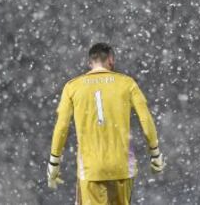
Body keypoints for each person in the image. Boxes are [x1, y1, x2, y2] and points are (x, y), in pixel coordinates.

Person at [47, 42, 166, 204]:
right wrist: (155, 153)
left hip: (90, 169)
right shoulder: (127, 83)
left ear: (90, 63)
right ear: (111, 60)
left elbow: (62, 126)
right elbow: (146, 119)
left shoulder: (72, 87)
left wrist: (54, 162)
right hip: (122, 166)